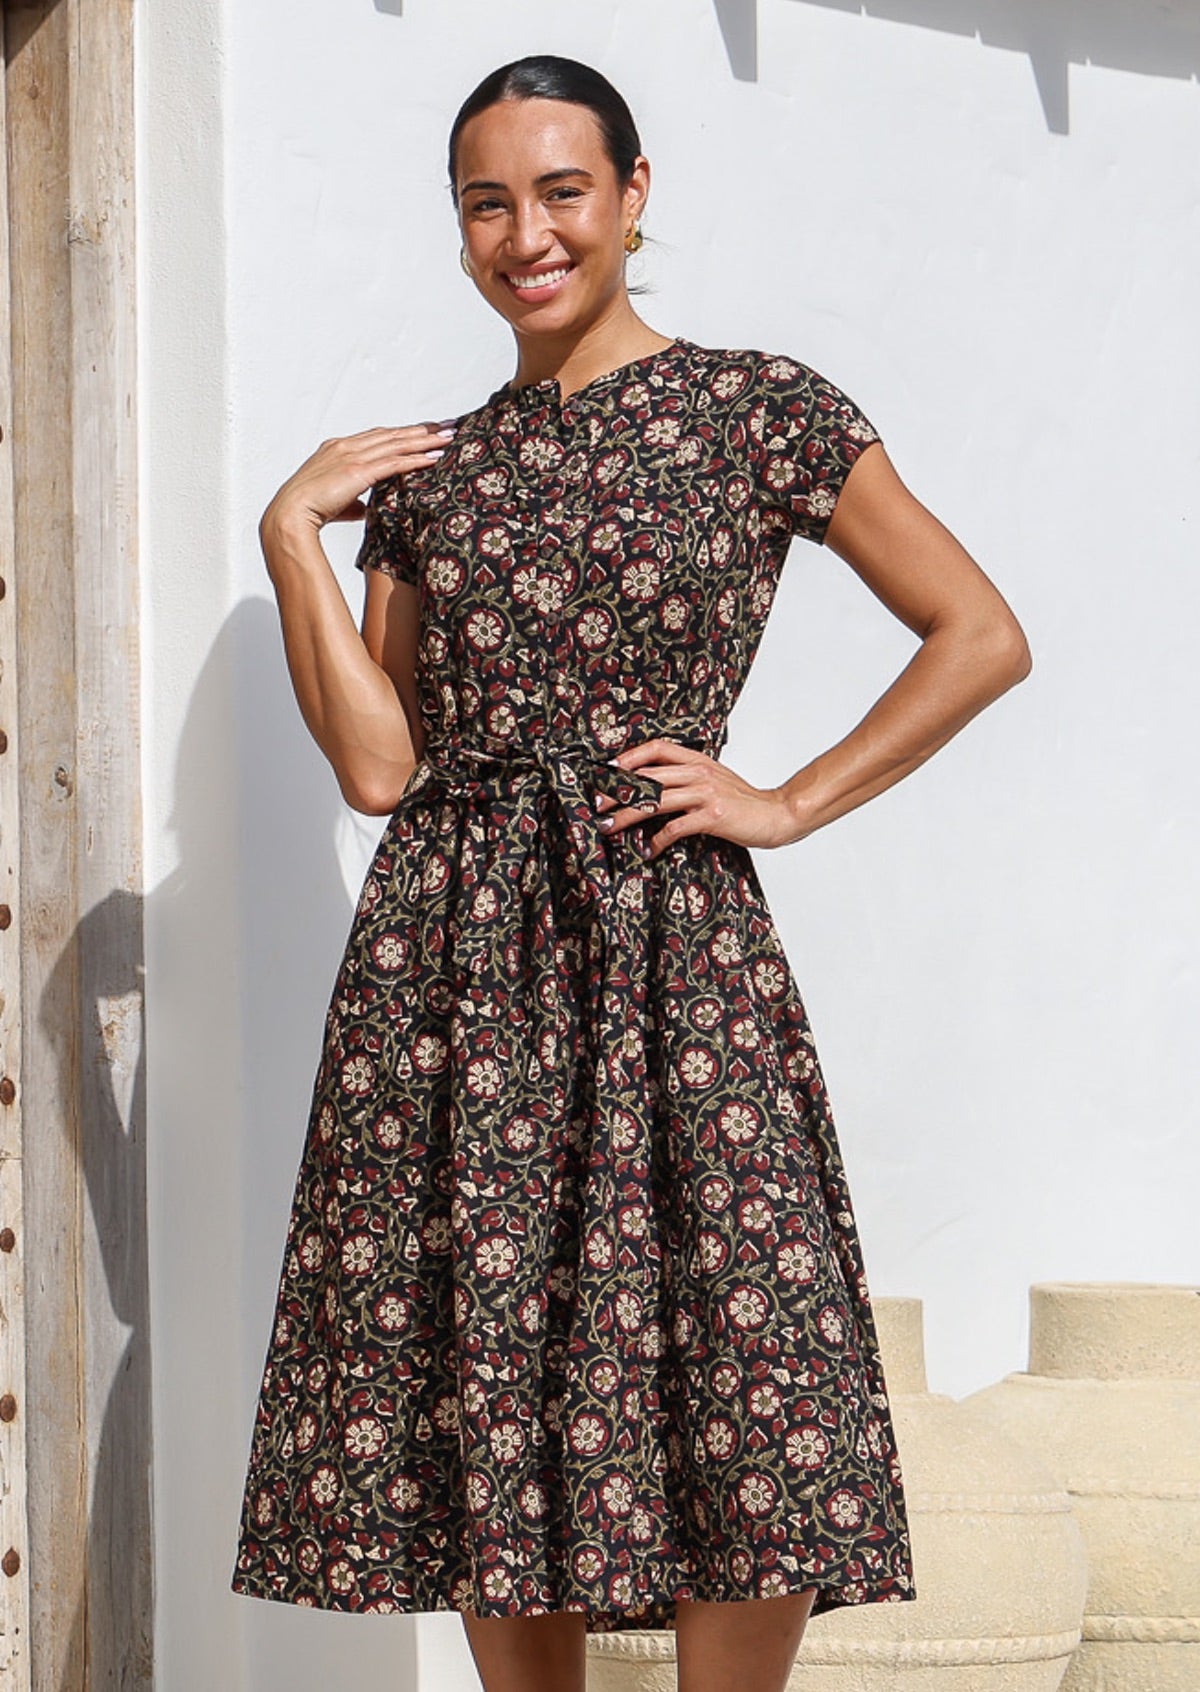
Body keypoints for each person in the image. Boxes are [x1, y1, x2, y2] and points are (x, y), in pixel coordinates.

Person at [230, 52, 1031, 1692]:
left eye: (561, 190)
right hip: (452, 964)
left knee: (753, 1359)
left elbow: (980, 633)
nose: (526, 232)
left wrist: (790, 800)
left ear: (634, 194)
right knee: (497, 1373)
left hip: (667, 932)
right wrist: (291, 535)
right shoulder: (430, 475)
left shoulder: (759, 410)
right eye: (487, 203)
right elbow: (382, 764)